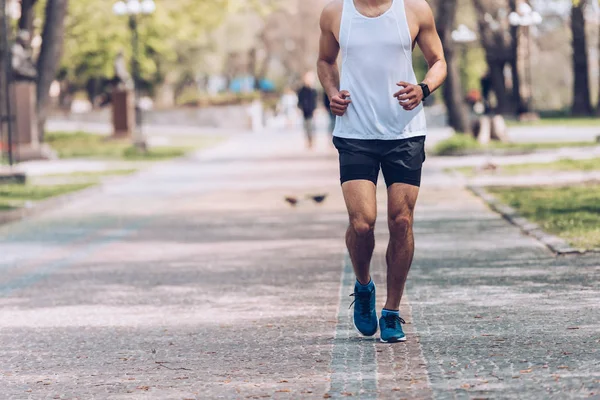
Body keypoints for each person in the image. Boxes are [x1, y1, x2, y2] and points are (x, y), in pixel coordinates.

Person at [317, 0, 447, 343]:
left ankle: (391, 311)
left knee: (401, 220)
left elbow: (438, 62)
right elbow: (325, 61)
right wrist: (332, 92)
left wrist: (423, 88)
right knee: (362, 223)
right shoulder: (335, 13)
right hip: (355, 132)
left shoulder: (415, 9)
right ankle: (363, 286)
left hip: (404, 133)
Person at [297, 72, 318, 149]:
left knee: (312, 127)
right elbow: (299, 100)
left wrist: (315, 109)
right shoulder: (301, 90)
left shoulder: (313, 90)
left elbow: (315, 101)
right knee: (306, 127)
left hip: (311, 111)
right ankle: (308, 141)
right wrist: (299, 108)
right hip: (304, 112)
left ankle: (312, 141)